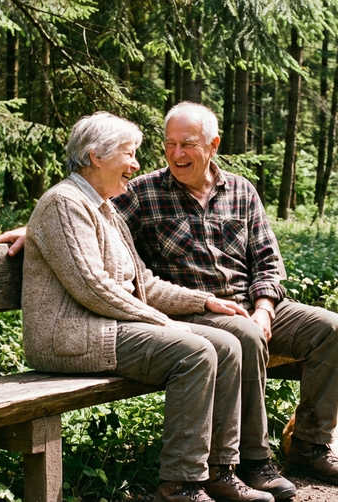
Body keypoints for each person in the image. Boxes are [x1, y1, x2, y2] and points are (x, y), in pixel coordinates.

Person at [0, 103, 338, 498]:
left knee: (331, 329)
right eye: (166, 144)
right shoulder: (119, 196)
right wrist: (36, 225)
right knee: (224, 342)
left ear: (213, 145)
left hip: (226, 304)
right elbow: (86, 264)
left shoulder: (233, 191)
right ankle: (231, 468)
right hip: (111, 327)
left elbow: (261, 263)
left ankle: (304, 448)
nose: (170, 155)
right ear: (95, 156)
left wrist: (255, 306)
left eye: (186, 143)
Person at [22, 111, 275, 502]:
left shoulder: (107, 209)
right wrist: (167, 324)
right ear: (95, 157)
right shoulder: (64, 203)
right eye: (129, 154)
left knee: (225, 343)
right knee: (193, 350)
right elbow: (94, 288)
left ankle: (220, 471)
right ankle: (181, 485)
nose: (137, 165)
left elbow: (145, 284)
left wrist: (203, 301)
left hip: (107, 328)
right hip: (70, 337)